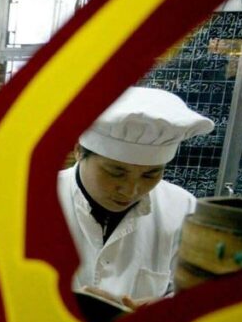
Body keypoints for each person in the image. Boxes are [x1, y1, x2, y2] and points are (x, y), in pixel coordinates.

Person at [58, 86, 214, 309]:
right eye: (115, 172)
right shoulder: (31, 201)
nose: (132, 190)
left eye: (151, 174)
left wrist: (164, 310)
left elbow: (199, 294)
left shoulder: (182, 209)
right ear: (78, 152)